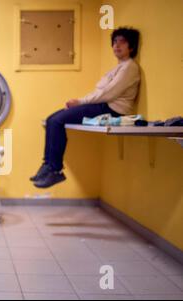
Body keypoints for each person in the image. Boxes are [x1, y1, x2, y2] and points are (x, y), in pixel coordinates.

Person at [32, 27, 141, 189]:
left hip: (112, 109)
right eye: (115, 42)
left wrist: (80, 102)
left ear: (131, 47)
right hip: (101, 105)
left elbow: (108, 93)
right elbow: (101, 91)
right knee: (51, 119)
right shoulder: (116, 68)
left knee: (57, 121)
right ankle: (47, 165)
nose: (117, 45)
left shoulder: (130, 68)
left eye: (122, 42)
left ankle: (55, 170)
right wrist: (81, 101)